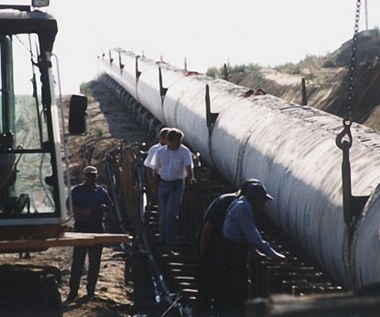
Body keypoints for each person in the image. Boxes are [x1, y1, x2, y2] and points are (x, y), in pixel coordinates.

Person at [221, 180, 285, 313]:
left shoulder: (241, 204)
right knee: (239, 289)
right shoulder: (244, 208)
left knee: (235, 288)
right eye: (262, 201)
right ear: (255, 199)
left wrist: (255, 251)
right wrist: (273, 254)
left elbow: (245, 234)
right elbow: (253, 237)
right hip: (233, 253)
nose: (263, 205)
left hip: (231, 250)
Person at [196, 179, 260, 309]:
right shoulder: (225, 203)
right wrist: (203, 255)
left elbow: (249, 233)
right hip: (212, 245)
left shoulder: (244, 206)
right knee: (208, 282)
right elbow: (206, 230)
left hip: (224, 247)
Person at [66, 165, 113, 301]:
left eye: (94, 175)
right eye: (89, 175)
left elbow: (110, 206)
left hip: (97, 227)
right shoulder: (77, 191)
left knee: (95, 261)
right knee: (78, 261)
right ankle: (73, 291)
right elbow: (69, 205)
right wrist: (81, 211)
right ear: (84, 176)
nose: (91, 178)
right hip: (81, 228)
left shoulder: (100, 191)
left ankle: (90, 291)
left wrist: (105, 208)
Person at [153, 128, 195, 246]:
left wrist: (190, 178)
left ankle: (171, 242)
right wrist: (155, 184)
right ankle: (163, 237)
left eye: (180, 141)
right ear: (169, 141)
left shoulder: (184, 152)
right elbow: (156, 169)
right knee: (163, 214)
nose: (179, 144)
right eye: (177, 142)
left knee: (171, 214)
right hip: (163, 184)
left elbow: (188, 167)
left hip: (177, 185)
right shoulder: (160, 152)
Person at [143, 127, 169, 207]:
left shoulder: (173, 149)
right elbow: (149, 167)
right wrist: (151, 181)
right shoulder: (154, 150)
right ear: (162, 138)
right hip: (159, 179)